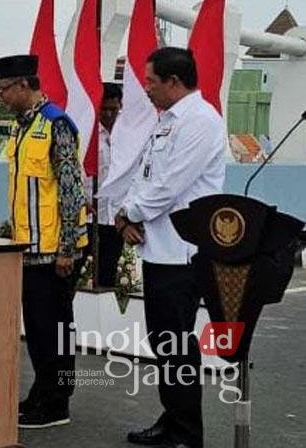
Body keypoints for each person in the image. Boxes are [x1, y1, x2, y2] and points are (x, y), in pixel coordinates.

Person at [116, 47, 226, 448]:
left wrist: (131, 212)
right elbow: (147, 174)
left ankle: (186, 433)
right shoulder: (167, 121)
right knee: (165, 344)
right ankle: (173, 416)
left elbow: (170, 185)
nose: (146, 88)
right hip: (157, 248)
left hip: (182, 252)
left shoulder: (201, 121)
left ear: (174, 82)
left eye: (151, 81)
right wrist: (125, 215)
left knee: (178, 345)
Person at [0, 54, 88, 429]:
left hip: (54, 252)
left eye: (3, 89)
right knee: (38, 328)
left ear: (25, 85)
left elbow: (70, 189)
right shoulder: (21, 128)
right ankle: (42, 393)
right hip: (28, 248)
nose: (0, 96)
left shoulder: (55, 124)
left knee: (55, 330)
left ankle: (57, 402)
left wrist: (67, 248)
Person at [92, 82, 125, 287]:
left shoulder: (127, 134)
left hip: (115, 216)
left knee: (108, 272)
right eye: (104, 109)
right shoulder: (90, 134)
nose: (109, 114)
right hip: (90, 213)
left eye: (113, 109)